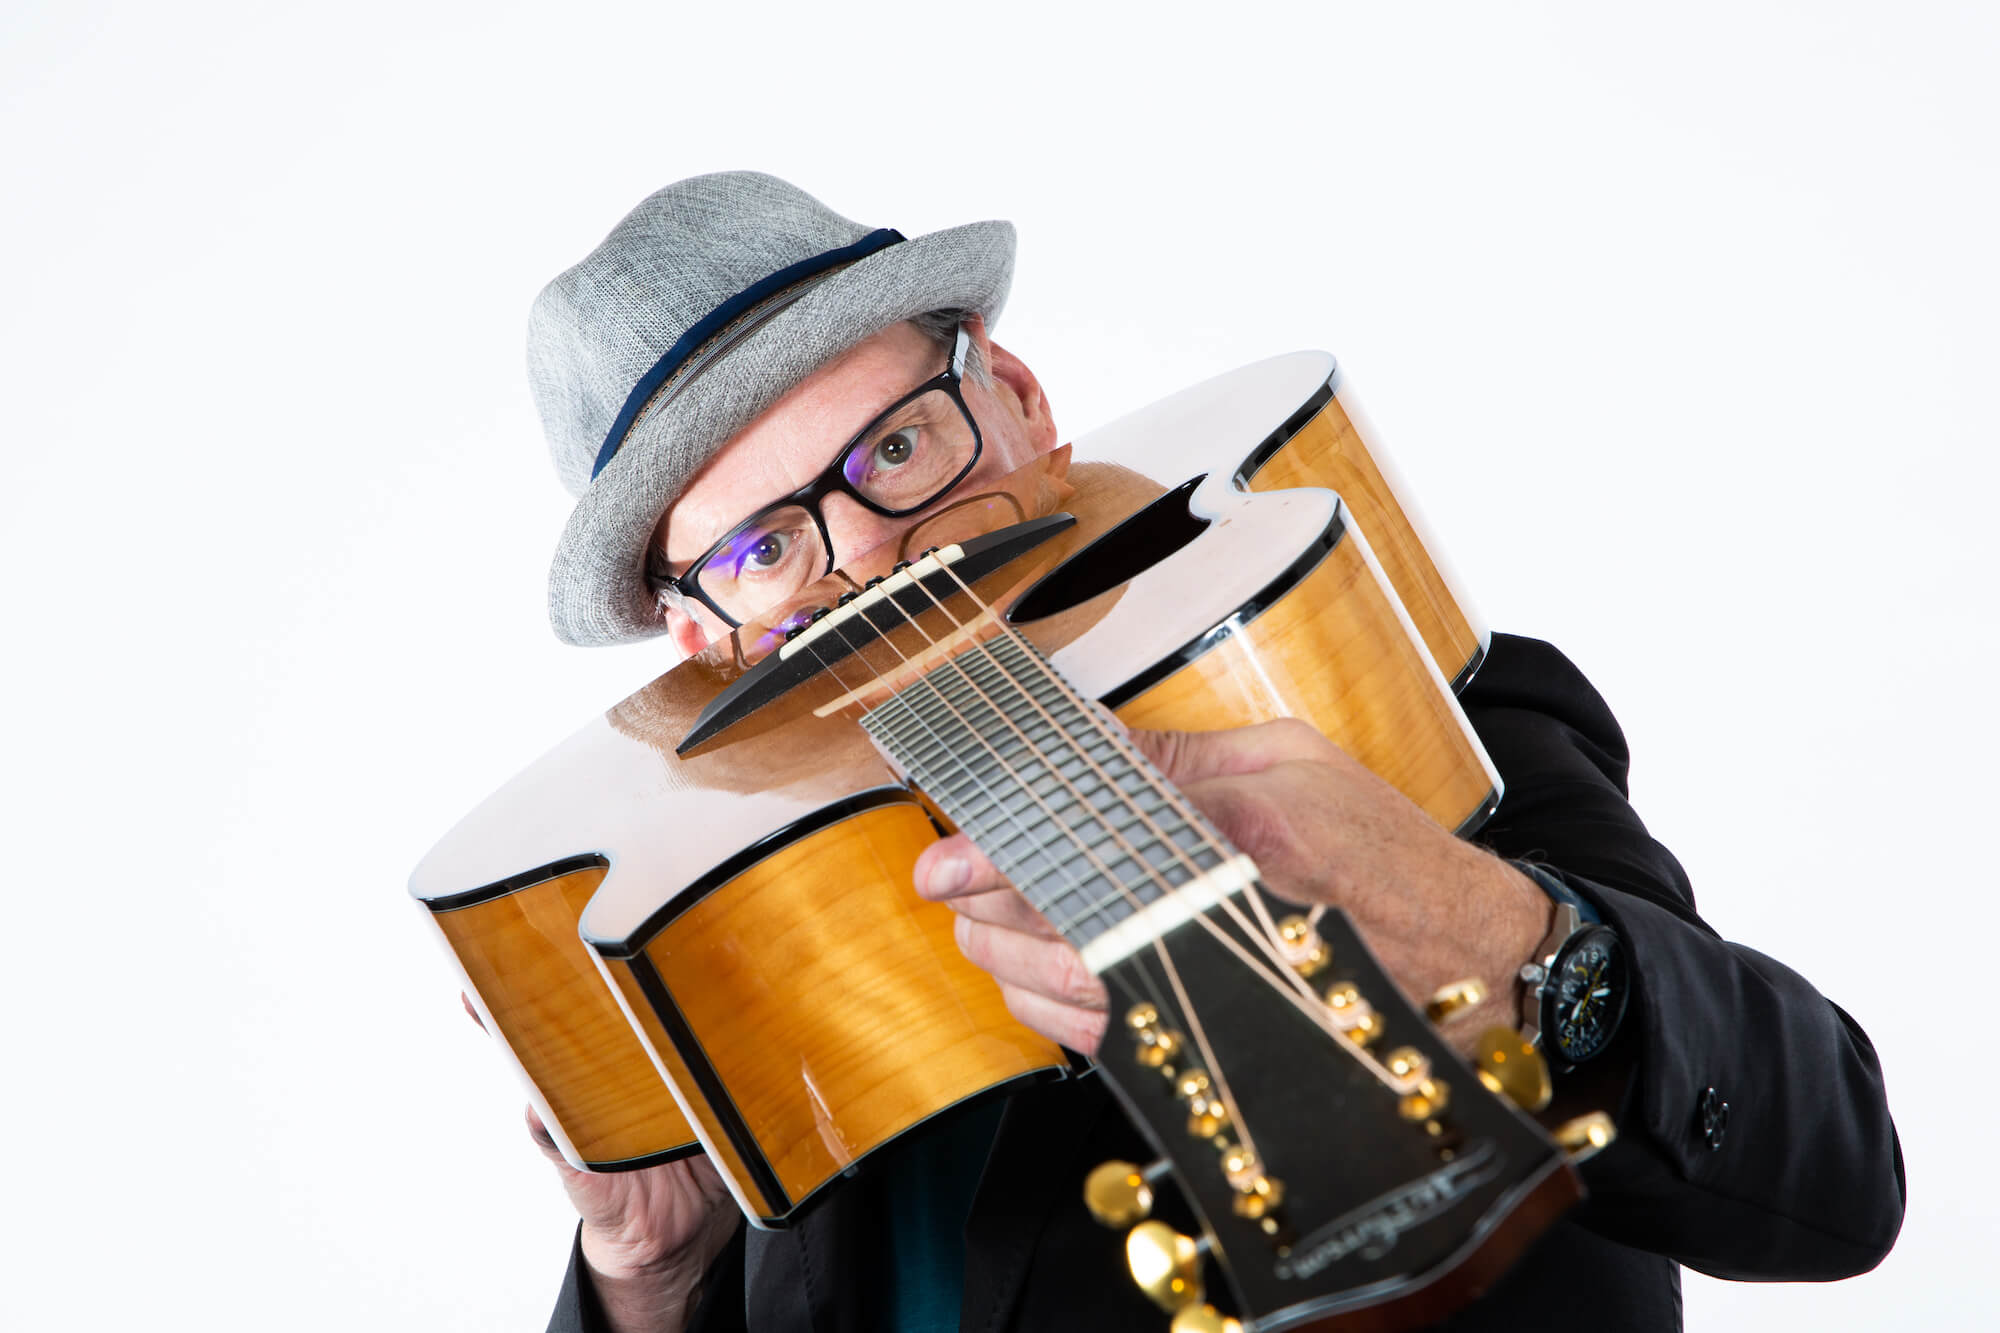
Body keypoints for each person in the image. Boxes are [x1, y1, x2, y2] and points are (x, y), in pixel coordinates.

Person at [514, 172, 1903, 1332]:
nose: (870, 561)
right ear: (701, 640)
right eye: (763, 551)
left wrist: (1499, 938)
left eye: (895, 449)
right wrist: (650, 1273)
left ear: (1017, 398)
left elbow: (1831, 1165)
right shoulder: (749, 965)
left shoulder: (1361, 690)